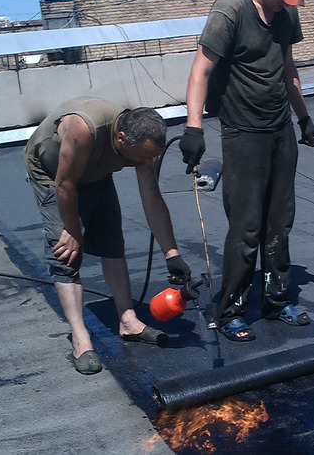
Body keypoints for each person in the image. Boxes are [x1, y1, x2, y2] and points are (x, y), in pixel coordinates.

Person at [179, 0, 314, 342]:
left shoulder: (286, 13)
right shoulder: (231, 10)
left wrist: (304, 118)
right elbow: (201, 70)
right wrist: (193, 128)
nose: (284, 4)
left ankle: (276, 302)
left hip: (280, 129)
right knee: (247, 226)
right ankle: (230, 312)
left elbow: (288, 68)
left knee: (280, 221)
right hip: (242, 131)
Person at [23, 97, 192, 374]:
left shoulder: (143, 143)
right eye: (144, 157)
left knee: (112, 242)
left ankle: (128, 321)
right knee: (66, 253)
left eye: (152, 156)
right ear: (121, 138)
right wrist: (73, 230)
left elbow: (152, 198)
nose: (149, 161)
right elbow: (65, 184)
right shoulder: (83, 129)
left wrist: (172, 254)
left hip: (96, 172)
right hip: (52, 174)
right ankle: (81, 339)